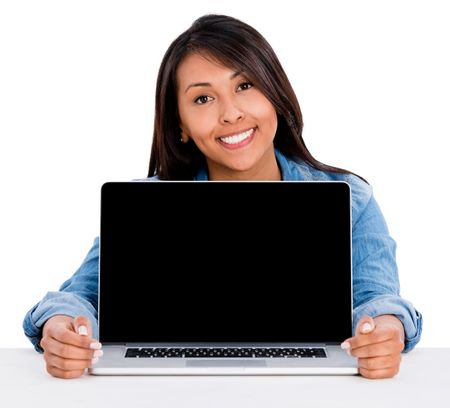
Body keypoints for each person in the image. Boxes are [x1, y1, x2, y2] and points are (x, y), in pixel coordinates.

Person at [23, 14, 422, 379]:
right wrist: (63, 327)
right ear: (179, 124)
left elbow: (379, 299)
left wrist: (385, 327)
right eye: (202, 98)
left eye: (245, 86)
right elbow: (77, 297)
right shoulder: (145, 207)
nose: (230, 114)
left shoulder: (350, 198)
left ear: (275, 96)